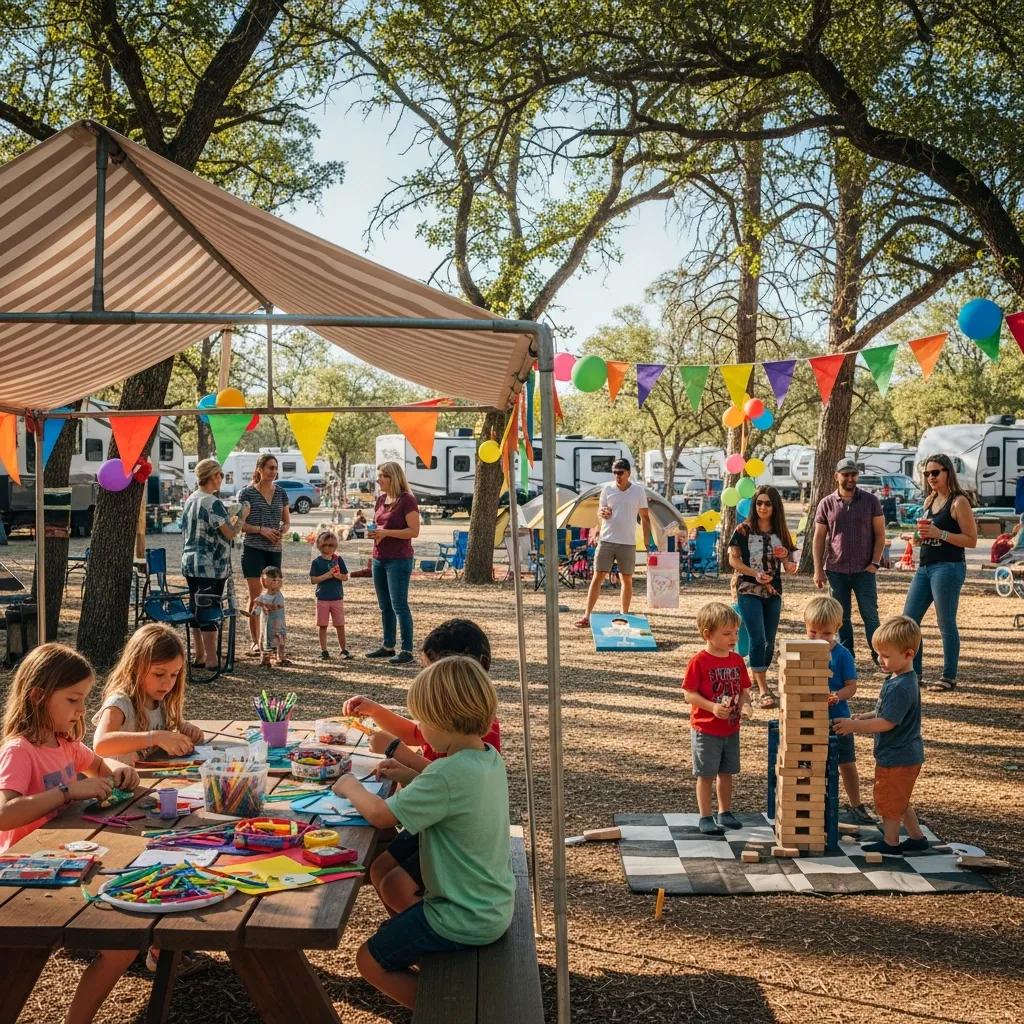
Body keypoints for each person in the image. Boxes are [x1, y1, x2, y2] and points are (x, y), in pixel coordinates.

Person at [333, 656, 515, 1010]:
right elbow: (452, 796)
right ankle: (439, 984)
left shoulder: (445, 774)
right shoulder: (486, 757)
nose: (419, 729)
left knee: (369, 960)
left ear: (443, 721)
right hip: (490, 904)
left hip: (462, 914)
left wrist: (349, 786)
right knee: (390, 886)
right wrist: (407, 776)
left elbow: (381, 816)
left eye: (422, 720)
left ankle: (448, 1012)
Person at [0, 644, 141, 1024]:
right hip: (25, 877)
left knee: (124, 945)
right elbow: (3, 815)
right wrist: (66, 792)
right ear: (38, 696)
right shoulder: (20, 750)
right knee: (121, 943)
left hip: (68, 864)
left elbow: (98, 765)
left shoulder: (63, 742)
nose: (81, 711)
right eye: (73, 700)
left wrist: (117, 769)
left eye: (84, 700)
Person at [343, 619, 501, 915]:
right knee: (380, 868)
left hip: (451, 836)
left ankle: (431, 935)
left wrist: (395, 751)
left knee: (395, 884)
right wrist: (376, 711)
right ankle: (411, 931)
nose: (430, 679)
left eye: (433, 671)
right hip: (436, 819)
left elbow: (447, 780)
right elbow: (420, 739)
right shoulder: (456, 717)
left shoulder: (479, 732)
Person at [832, 616, 927, 855]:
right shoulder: (900, 678)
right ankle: (917, 838)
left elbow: (887, 722)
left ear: (908, 654)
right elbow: (885, 712)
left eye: (885, 655)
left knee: (888, 801)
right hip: (902, 754)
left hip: (898, 756)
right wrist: (864, 716)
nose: (879, 660)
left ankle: (891, 843)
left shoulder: (901, 686)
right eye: (878, 654)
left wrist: (853, 727)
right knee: (900, 799)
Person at [902, 453, 978, 691]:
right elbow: (925, 534)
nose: (931, 478)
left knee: (945, 622)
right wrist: (916, 538)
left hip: (948, 567)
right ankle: (914, 674)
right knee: (909, 620)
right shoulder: (929, 500)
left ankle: (948, 676)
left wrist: (940, 534)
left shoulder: (958, 502)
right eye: (927, 474)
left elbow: (972, 540)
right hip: (925, 567)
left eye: (935, 472)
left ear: (948, 473)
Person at [803, 596, 874, 825]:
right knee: (810, 762)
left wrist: (836, 696)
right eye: (813, 632)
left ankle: (856, 804)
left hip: (838, 718)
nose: (819, 638)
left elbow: (851, 687)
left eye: (825, 633)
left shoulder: (842, 655)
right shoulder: (802, 651)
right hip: (809, 718)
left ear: (836, 629)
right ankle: (810, 803)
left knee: (846, 762)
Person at [682, 602, 752, 835]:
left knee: (727, 772)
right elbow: (688, 694)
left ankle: (725, 811)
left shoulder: (737, 660)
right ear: (708, 635)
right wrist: (712, 707)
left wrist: (746, 704)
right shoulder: (699, 661)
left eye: (735, 632)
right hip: (706, 729)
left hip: (731, 727)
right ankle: (705, 815)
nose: (733, 638)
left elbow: (744, 689)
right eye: (727, 634)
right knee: (706, 774)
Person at [92, 624, 205, 764]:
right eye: (159, 674)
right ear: (135, 667)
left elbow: (166, 730)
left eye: (174, 675)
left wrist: (183, 727)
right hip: (120, 782)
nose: (167, 683)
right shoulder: (120, 703)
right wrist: (154, 738)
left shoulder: (162, 701)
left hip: (153, 779)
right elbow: (101, 745)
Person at [727, 485, 797, 709]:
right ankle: (763, 689)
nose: (763, 507)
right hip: (748, 588)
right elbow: (733, 561)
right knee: (758, 638)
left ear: (775, 506)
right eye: (759, 503)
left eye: (767, 503)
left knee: (769, 640)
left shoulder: (782, 533)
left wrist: (786, 557)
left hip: (773, 591)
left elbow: (790, 567)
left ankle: (755, 674)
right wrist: (754, 573)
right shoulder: (743, 530)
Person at [812, 458, 886, 662]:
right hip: (836, 570)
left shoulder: (871, 501)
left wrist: (875, 563)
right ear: (836, 476)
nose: (850, 478)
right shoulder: (826, 503)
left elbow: (880, 534)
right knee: (840, 618)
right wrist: (818, 569)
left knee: (870, 615)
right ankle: (847, 657)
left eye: (853, 474)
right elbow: (819, 538)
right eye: (846, 474)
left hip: (864, 570)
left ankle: (879, 656)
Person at [179, 458, 248, 672]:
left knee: (195, 607)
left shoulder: (191, 499)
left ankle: (199, 654)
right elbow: (228, 532)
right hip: (210, 564)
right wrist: (242, 517)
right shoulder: (213, 502)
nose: (221, 479)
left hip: (190, 562)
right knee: (209, 608)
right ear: (212, 477)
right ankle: (211, 658)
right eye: (220, 475)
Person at [575, 458, 654, 629]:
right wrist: (602, 513)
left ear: (628, 473)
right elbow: (601, 511)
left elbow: (645, 517)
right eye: (615, 472)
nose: (617, 476)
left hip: (627, 542)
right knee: (598, 577)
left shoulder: (638, 491)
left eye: (621, 473)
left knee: (626, 579)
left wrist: (648, 541)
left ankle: (624, 615)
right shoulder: (607, 489)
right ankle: (587, 615)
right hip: (607, 539)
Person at [367, 461, 420, 665]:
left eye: (382, 476)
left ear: (393, 478)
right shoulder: (381, 499)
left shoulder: (407, 500)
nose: (379, 479)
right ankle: (388, 645)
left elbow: (413, 531)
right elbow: (379, 524)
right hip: (379, 557)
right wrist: (374, 534)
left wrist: (386, 532)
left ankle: (407, 649)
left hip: (399, 558)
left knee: (399, 604)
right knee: (385, 605)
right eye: (379, 475)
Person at [237, 454, 290, 656]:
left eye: (275, 468)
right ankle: (255, 641)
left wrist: (282, 530)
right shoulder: (246, 493)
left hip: (274, 549)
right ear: (259, 468)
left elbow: (286, 521)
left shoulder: (281, 493)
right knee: (256, 596)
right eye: (269, 467)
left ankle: (273, 640)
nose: (273, 472)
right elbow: (240, 525)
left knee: (273, 595)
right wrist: (261, 530)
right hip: (253, 549)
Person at [310, 528, 350, 660]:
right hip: (322, 598)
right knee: (323, 625)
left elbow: (345, 577)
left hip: (337, 597)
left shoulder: (338, 560)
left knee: (340, 624)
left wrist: (338, 576)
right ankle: (324, 650)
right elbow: (313, 580)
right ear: (319, 545)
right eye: (325, 545)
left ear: (335, 546)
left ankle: (343, 650)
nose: (328, 547)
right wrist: (327, 575)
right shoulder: (316, 562)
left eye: (331, 545)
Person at [254, 566, 287, 666]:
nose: (274, 582)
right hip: (265, 623)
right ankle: (265, 658)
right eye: (268, 580)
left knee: (280, 640)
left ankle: (280, 657)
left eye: (276, 580)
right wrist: (257, 604)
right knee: (263, 639)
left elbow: (278, 606)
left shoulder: (278, 595)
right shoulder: (264, 595)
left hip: (277, 623)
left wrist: (264, 605)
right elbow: (257, 601)